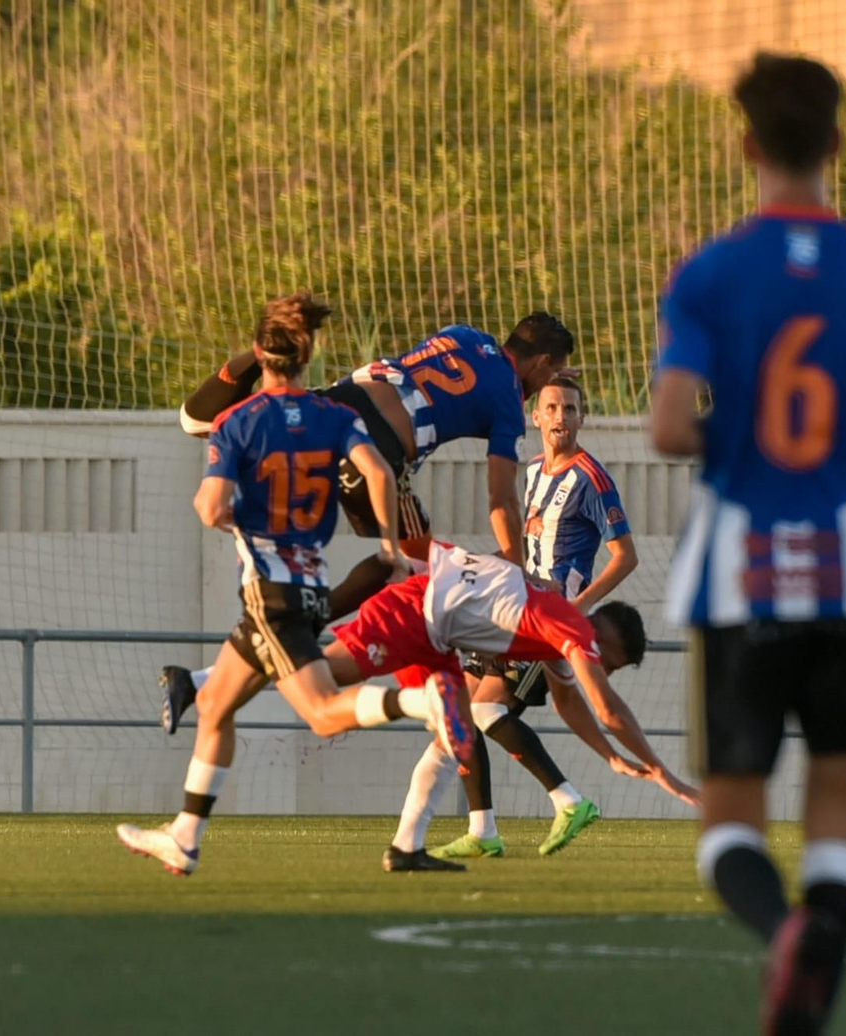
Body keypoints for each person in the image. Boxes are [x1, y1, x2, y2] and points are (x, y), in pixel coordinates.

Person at [649, 52, 846, 1035]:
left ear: (746, 144)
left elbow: (667, 427)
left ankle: (778, 929)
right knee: (836, 811)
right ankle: (808, 974)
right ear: (836, 142)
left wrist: (731, 436)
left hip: (739, 569)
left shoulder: (707, 274)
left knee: (730, 817)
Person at [115, 293, 440, 877]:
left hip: (270, 590)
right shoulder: (335, 417)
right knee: (214, 703)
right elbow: (377, 470)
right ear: (307, 353)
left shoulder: (238, 422)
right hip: (312, 587)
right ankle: (185, 837)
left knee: (320, 713)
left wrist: (246, 521)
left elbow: (210, 507)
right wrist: (390, 544)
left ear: (259, 353)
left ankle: (422, 701)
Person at [160, 313, 575, 732]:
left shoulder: (465, 333)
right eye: (552, 373)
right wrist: (516, 570)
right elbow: (501, 497)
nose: (548, 384)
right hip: (373, 450)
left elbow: (468, 377)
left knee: (197, 422)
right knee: (420, 570)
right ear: (541, 362)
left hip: (338, 404)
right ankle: (303, 638)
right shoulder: (507, 400)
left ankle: (262, 352)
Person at [323, 543, 697, 871]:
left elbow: (568, 703)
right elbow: (606, 708)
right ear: (600, 638)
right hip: (415, 613)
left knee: (455, 731)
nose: (603, 671)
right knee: (320, 683)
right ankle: (276, 655)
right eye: (609, 664)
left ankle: (407, 848)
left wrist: (609, 755)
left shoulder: (557, 627)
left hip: (436, 631)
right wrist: (662, 771)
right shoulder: (573, 630)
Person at [430, 374, 642, 860]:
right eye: (553, 407)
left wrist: (575, 609)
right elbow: (524, 548)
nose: (561, 417)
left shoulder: (591, 477)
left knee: (484, 712)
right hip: (511, 609)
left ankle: (569, 801)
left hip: (544, 626)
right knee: (456, 712)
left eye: (570, 408)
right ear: (538, 416)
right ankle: (482, 829)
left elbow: (625, 556)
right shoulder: (532, 470)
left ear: (581, 418)